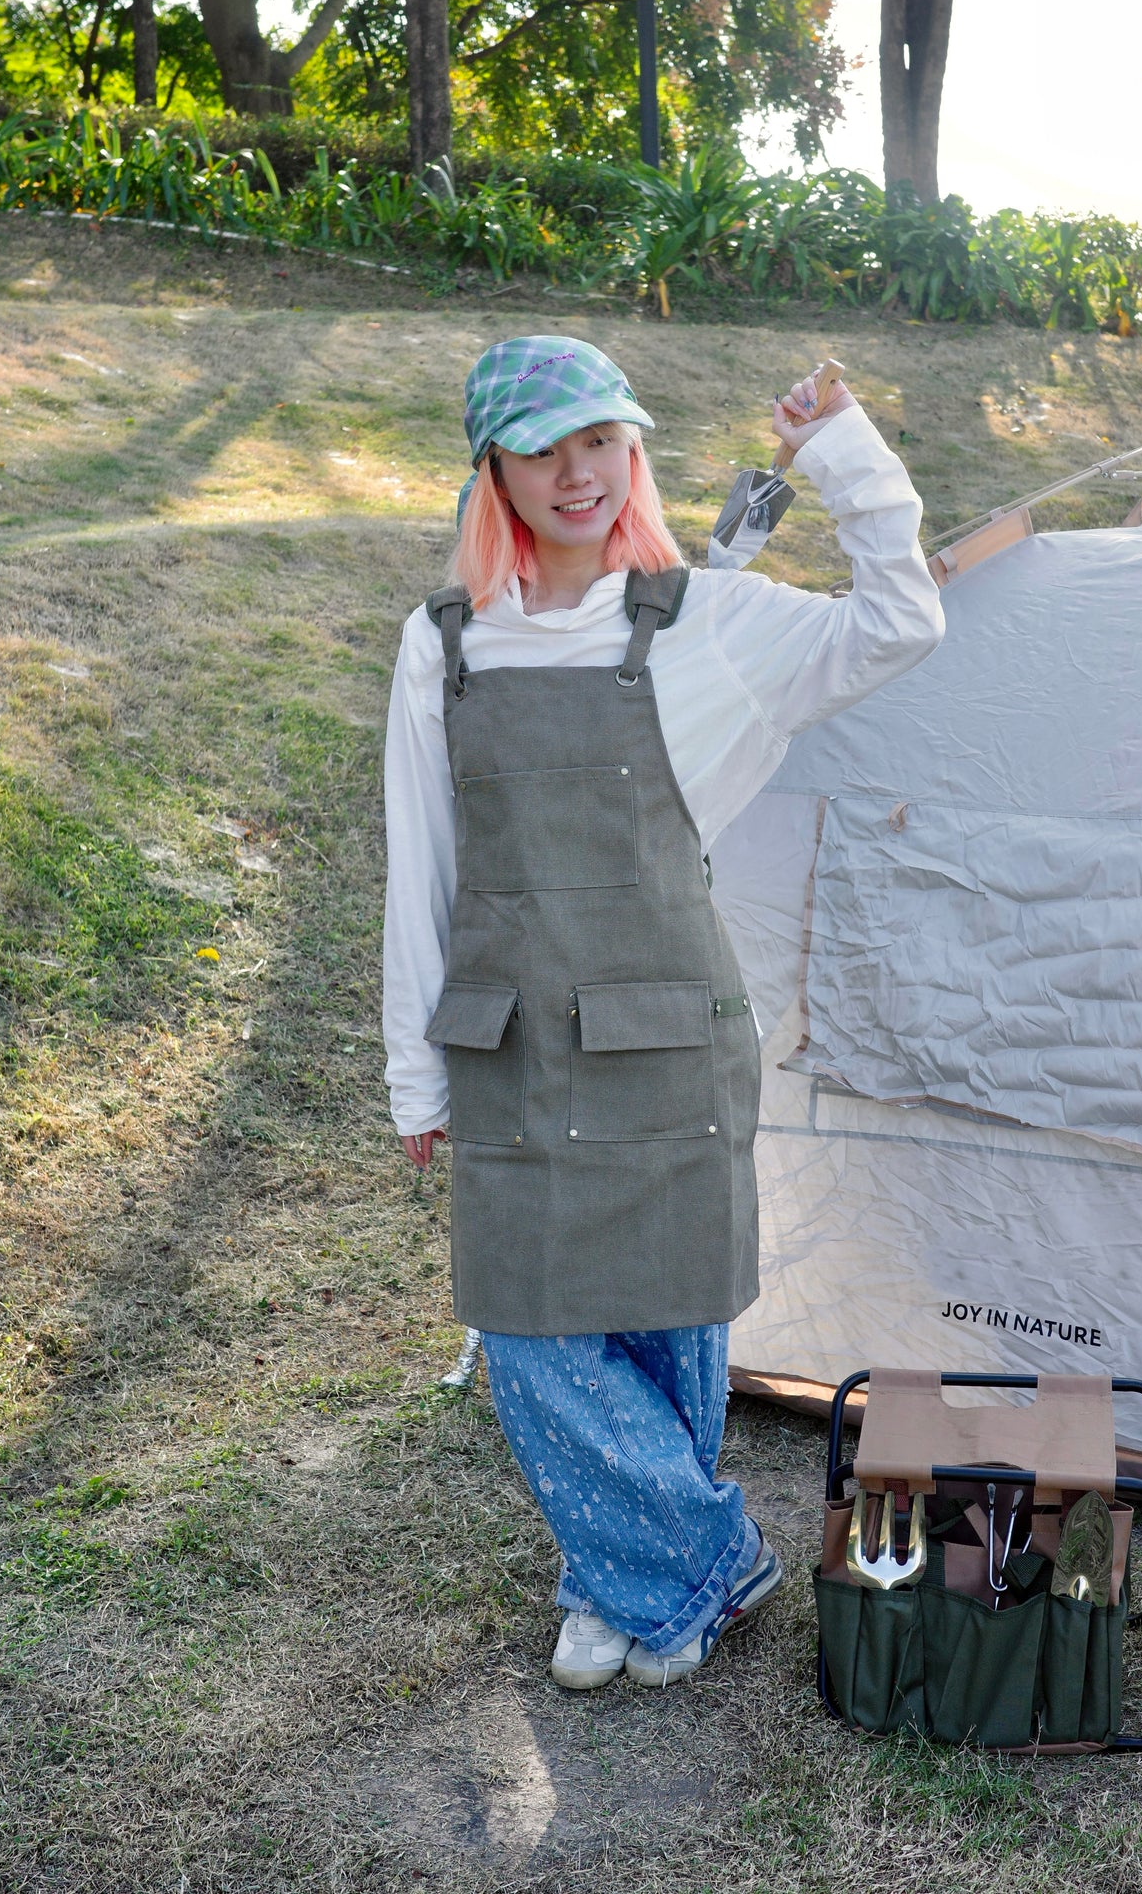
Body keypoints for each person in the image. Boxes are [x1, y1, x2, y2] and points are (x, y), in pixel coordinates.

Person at [383, 336, 944, 1691]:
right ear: (494, 473)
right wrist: (416, 1077)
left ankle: (621, 1587)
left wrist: (842, 452)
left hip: (667, 1042)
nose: (575, 472)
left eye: (600, 440)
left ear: (629, 451)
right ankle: (701, 1561)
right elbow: (423, 863)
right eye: (541, 447)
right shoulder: (442, 644)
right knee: (528, 1335)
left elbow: (900, 620)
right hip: (510, 1043)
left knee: (664, 1325)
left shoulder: (708, 620)